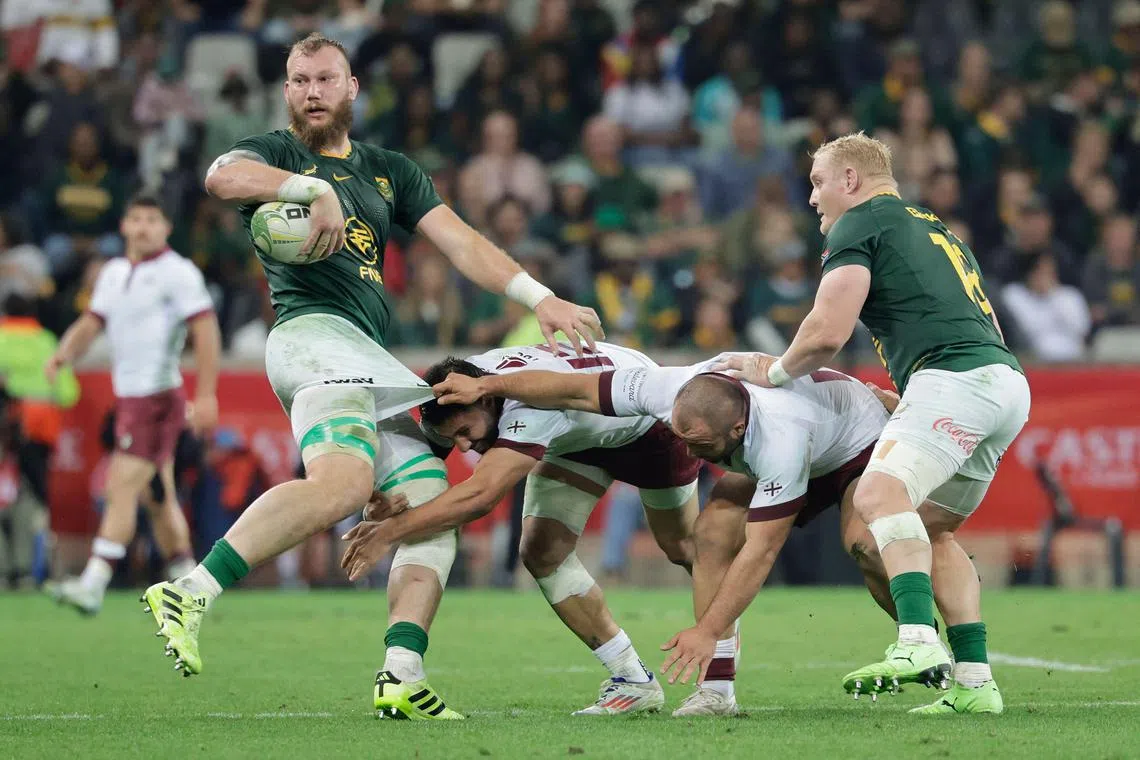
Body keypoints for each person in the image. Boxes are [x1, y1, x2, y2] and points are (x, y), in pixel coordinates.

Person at [142, 34, 601, 721]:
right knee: (345, 487)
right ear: (286, 91)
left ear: (352, 86)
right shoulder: (276, 154)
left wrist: (541, 298)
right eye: (299, 81)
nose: (312, 92)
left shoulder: (390, 170)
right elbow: (220, 177)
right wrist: (308, 188)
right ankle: (191, 590)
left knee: (427, 505)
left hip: (362, 354)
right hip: (311, 339)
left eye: (325, 79)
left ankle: (401, 673)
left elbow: (461, 243)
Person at [413, 353, 959, 714]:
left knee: (863, 543)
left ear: (737, 430)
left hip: (857, 443)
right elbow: (573, 388)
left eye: (700, 447)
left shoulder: (779, 443)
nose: (693, 455)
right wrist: (489, 384)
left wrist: (707, 629)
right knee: (712, 533)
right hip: (806, 433)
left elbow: (762, 552)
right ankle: (717, 689)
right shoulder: (671, 386)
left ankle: (927, 643)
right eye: (684, 439)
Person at [713, 133, 1030, 715]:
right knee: (929, 533)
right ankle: (975, 682)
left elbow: (827, 333)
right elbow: (972, 324)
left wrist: (772, 370)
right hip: (1003, 382)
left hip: (953, 379)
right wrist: (918, 394)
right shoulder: (933, 226)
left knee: (877, 496)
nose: (813, 199)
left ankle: (917, 642)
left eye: (818, 183)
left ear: (851, 180)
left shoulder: (859, 223)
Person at [340, 342, 704, 716]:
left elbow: (480, 496)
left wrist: (389, 532)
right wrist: (387, 498)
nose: (464, 446)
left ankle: (718, 682)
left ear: (486, 401)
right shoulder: (461, 386)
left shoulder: (529, 409)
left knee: (684, 549)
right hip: (579, 435)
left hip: (644, 428)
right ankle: (632, 678)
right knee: (542, 551)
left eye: (464, 431)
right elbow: (422, 464)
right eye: (454, 439)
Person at [44, 194, 221, 615]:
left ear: (166, 229)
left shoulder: (178, 272)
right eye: (136, 219)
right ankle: (191, 584)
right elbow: (92, 322)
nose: (143, 227)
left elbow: (205, 328)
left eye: (152, 220)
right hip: (130, 399)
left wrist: (206, 393)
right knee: (158, 497)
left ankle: (93, 584)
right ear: (123, 226)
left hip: (156, 400)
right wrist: (63, 353)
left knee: (120, 486)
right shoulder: (113, 272)